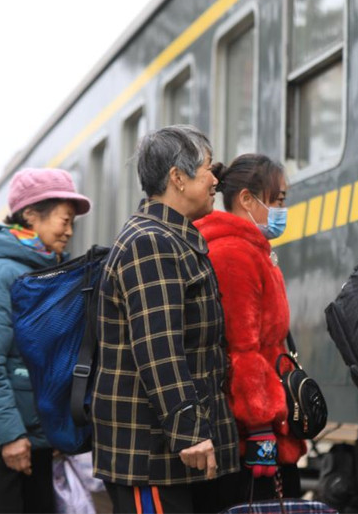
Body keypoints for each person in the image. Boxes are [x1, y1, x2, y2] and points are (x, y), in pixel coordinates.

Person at [91, 125, 239, 514]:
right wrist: (190, 432)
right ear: (178, 177)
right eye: (207, 169)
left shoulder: (171, 237)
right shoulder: (151, 243)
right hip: (153, 455)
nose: (214, 179)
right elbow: (159, 351)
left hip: (170, 452)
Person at [0, 168, 91, 513]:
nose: (69, 232)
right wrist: (9, 436)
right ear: (30, 215)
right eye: (64, 220)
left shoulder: (43, 271)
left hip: (32, 437)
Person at [194, 154, 306, 502]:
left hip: (264, 423)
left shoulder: (252, 250)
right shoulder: (233, 254)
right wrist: (260, 430)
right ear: (246, 199)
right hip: (250, 433)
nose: (281, 210)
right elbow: (241, 349)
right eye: (278, 200)